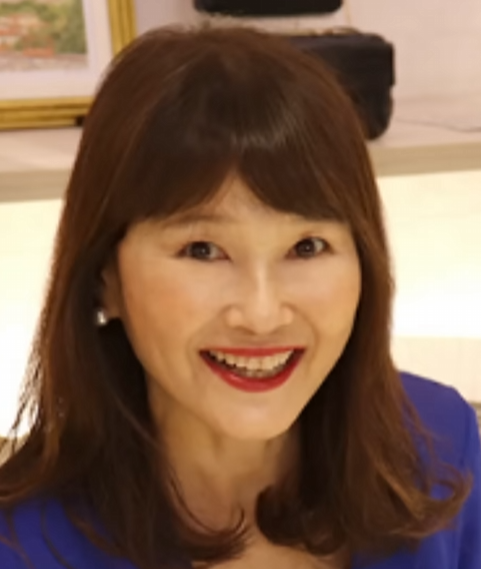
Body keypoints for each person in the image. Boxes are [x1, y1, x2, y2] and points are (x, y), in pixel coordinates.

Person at [0, 24, 479, 569]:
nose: (261, 314)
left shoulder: (442, 444)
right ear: (103, 276)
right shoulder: (20, 546)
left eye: (307, 246)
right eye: (202, 250)